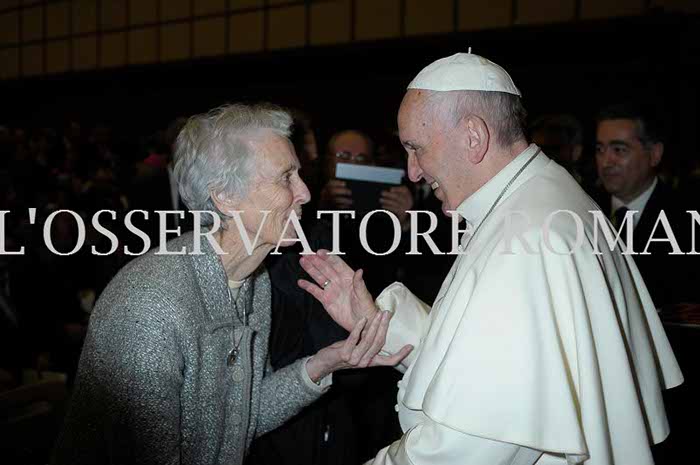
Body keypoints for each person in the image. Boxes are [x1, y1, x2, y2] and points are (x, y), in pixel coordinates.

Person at [299, 52, 683, 465]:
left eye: (416, 148)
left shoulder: (527, 239)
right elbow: (480, 363)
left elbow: (470, 442)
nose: (412, 172)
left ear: (473, 136)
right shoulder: (538, 195)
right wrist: (377, 322)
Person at [51, 104, 411, 465]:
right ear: (225, 196)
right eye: (286, 178)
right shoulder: (151, 307)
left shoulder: (255, 280)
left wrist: (323, 364)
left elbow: (241, 418)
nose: (305, 192)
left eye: (299, 175)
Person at [593, 103, 697, 308]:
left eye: (619, 150)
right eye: (600, 150)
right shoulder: (582, 209)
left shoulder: (687, 219)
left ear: (655, 154)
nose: (606, 162)